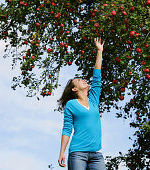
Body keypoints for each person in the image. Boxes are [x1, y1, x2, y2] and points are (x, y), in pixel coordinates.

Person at [57, 37, 106, 170]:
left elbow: (97, 75)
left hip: (97, 154)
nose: (83, 80)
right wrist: (62, 152)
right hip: (78, 153)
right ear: (74, 89)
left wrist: (99, 51)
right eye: (79, 80)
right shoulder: (71, 105)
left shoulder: (94, 99)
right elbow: (67, 129)